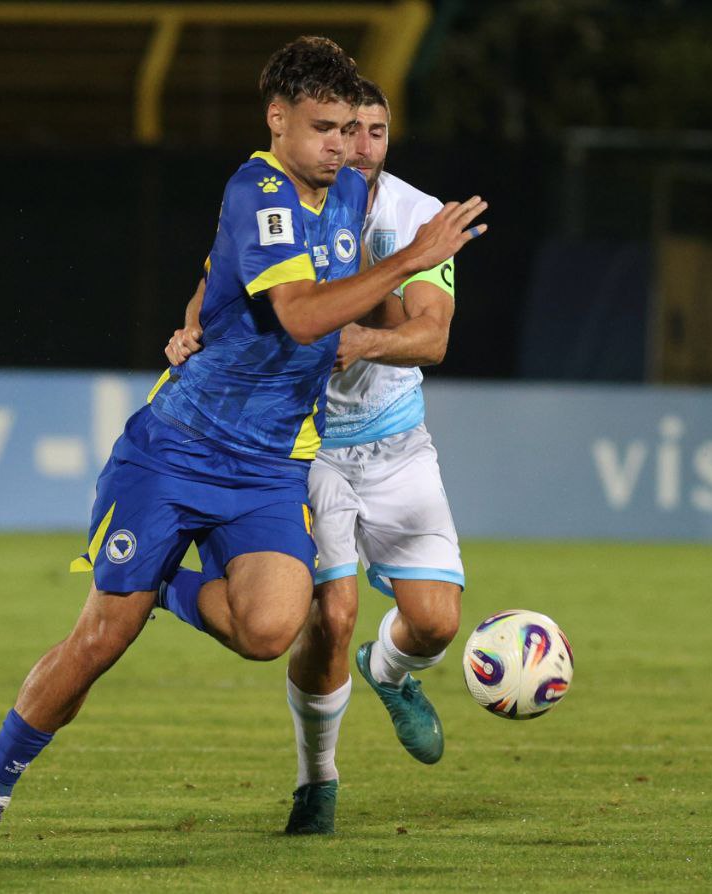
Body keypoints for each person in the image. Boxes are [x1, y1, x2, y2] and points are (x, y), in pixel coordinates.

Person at [0, 37, 487, 845]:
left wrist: (198, 313)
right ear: (278, 120)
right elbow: (301, 315)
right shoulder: (258, 190)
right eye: (323, 128)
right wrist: (414, 256)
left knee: (269, 632)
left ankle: (163, 581)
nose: (340, 146)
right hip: (178, 449)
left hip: (271, 465)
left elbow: (219, 271)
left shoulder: (343, 192)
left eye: (349, 129)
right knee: (102, 637)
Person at [164, 79, 467, 836]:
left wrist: (365, 338)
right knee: (331, 615)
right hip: (309, 445)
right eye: (344, 129)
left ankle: (388, 672)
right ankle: (317, 781)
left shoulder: (417, 216)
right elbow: (219, 276)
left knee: (435, 623)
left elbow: (432, 338)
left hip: (396, 442)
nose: (357, 145)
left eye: (374, 131)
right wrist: (192, 325)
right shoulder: (283, 197)